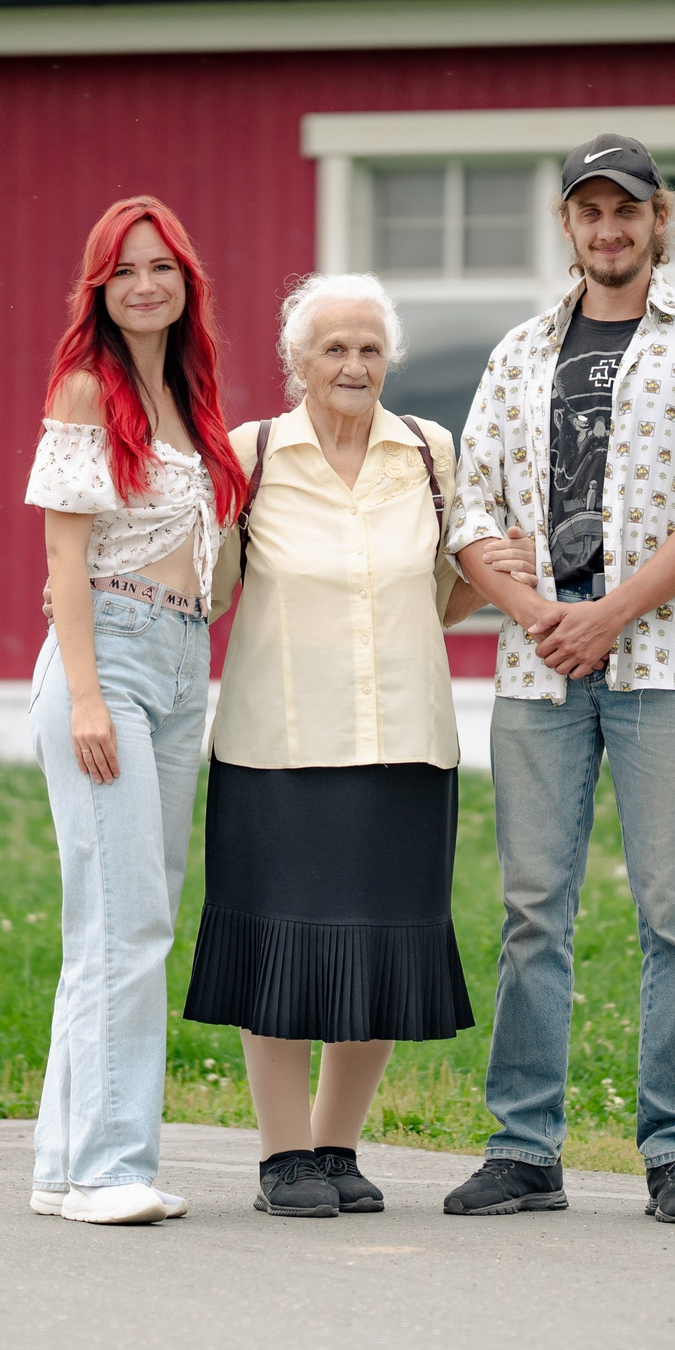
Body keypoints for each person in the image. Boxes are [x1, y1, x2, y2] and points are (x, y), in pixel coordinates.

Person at [441, 133, 675, 1227]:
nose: (608, 228)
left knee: (674, 914)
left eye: (625, 210)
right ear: (568, 226)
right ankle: (524, 1150)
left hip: (666, 670)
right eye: (588, 211)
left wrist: (609, 618)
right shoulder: (521, 352)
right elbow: (470, 512)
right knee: (533, 911)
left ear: (657, 220)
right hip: (538, 678)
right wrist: (539, 617)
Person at [182, 274, 534, 1218]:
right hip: (279, 747)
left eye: (370, 348)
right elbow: (204, 590)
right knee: (278, 948)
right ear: (297, 361)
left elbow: (442, 597)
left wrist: (498, 575)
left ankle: (337, 1146)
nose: (353, 364)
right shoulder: (250, 455)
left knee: (380, 951)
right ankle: (281, 1156)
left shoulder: (429, 453)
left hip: (404, 741)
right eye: (334, 348)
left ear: (391, 361)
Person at [24, 196, 249, 1226]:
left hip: (178, 660)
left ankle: (61, 1164)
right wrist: (84, 696)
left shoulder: (191, 402)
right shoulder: (85, 388)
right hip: (107, 654)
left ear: (185, 282)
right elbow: (63, 557)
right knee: (129, 924)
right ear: (101, 289)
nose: (146, 284)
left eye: (161, 267)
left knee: (116, 921)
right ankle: (110, 1170)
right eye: (125, 271)